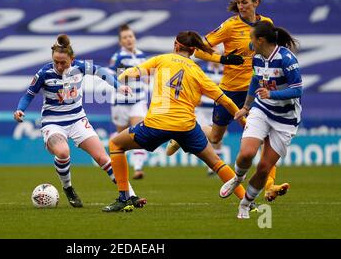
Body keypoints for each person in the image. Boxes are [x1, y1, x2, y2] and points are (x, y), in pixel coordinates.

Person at [166, 0, 289, 202]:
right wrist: (223, 59)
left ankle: (270, 186)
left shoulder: (266, 24)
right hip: (229, 91)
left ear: (256, 3)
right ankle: (181, 134)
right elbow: (200, 49)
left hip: (255, 91)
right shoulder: (230, 26)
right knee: (215, 136)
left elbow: (272, 53)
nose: (240, 6)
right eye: (238, 2)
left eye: (245, 2)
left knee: (263, 139)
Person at [102, 31, 249, 212]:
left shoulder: (162, 59)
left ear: (176, 45)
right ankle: (248, 202)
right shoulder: (198, 72)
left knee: (116, 144)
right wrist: (242, 119)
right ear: (194, 51)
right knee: (216, 162)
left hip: (157, 124)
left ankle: (124, 197)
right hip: (186, 127)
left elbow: (132, 72)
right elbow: (225, 100)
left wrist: (121, 78)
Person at [13, 34, 146, 208]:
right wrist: (20, 110)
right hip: (53, 123)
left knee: (103, 158)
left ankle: (131, 195)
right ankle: (68, 188)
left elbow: (101, 72)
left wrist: (118, 86)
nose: (59, 66)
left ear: (72, 59)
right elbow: (28, 95)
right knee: (62, 152)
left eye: (63, 62)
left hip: (77, 120)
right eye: (56, 62)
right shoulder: (44, 73)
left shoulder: (80, 67)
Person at [219, 21, 301, 219]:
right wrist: (246, 107)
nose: (250, 42)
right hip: (262, 110)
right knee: (246, 154)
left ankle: (245, 204)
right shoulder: (256, 57)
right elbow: (255, 80)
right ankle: (238, 178)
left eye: (252, 38)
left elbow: (297, 89)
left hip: (285, 120)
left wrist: (271, 95)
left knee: (264, 168)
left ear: (261, 40)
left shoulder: (286, 59)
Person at [108, 24, 149, 180]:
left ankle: (138, 168)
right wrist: (124, 77)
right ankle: (120, 169)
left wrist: (146, 77)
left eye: (130, 36)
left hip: (138, 101)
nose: (128, 39)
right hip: (120, 103)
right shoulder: (117, 57)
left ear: (135, 38)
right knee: (121, 138)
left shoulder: (141, 56)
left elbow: (147, 76)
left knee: (138, 133)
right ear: (120, 42)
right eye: (125, 37)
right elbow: (109, 77)